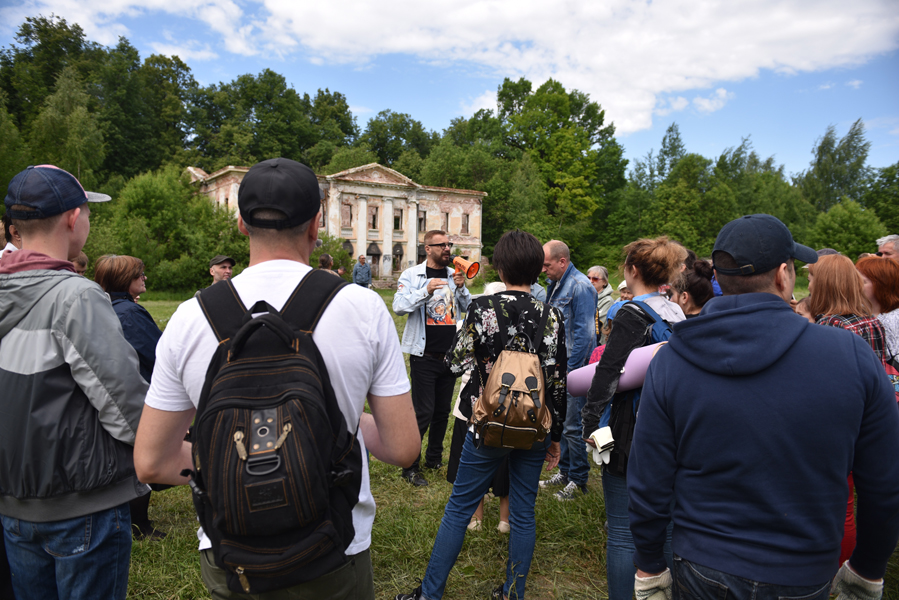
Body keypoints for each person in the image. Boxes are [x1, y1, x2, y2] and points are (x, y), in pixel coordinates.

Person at [133, 157, 420, 600]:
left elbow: (151, 462)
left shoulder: (191, 317)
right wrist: (339, 420)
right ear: (317, 224)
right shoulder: (363, 309)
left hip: (232, 555)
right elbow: (402, 448)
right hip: (334, 548)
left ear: (242, 225)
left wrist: (234, 468)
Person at [627, 214, 899, 600]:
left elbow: (648, 479)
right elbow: (884, 480)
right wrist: (868, 569)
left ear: (719, 278)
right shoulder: (850, 354)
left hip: (703, 565)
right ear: (784, 276)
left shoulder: (672, 361)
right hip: (803, 570)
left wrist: (649, 567)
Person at [0, 164, 149, 600]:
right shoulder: (76, 296)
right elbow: (125, 407)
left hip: (15, 505)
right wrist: (162, 453)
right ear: (73, 218)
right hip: (83, 505)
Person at [395, 229, 567, 600]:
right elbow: (558, 380)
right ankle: (513, 593)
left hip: (487, 421)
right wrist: (556, 438)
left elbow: (455, 363)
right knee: (523, 512)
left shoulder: (483, 308)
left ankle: (430, 593)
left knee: (458, 508)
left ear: (501, 268)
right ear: (538, 269)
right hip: (535, 425)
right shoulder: (550, 315)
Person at [581, 236, 686, 600]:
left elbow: (607, 372)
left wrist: (590, 423)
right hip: (673, 429)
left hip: (630, 433)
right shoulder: (676, 311)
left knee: (625, 533)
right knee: (669, 526)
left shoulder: (630, 313)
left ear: (633, 271)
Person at [807, 253, 892, 566]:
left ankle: (832, 567)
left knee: (835, 506)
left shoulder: (830, 326)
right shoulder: (871, 322)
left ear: (825, 284)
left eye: (813, 279)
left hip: (837, 426)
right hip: (866, 420)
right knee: (853, 502)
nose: (810, 285)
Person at [94, 254, 166, 541]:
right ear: (125, 279)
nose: (144, 278)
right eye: (140, 274)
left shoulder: (102, 306)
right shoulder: (130, 313)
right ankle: (139, 526)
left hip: (110, 394)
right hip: (139, 392)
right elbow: (156, 352)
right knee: (141, 459)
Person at [393, 230, 471, 486]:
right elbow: (399, 307)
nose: (448, 248)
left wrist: (460, 288)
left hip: (449, 356)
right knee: (423, 412)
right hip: (423, 355)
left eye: (450, 244)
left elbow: (467, 308)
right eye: (443, 245)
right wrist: (425, 290)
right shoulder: (412, 275)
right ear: (428, 248)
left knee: (441, 412)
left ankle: (433, 458)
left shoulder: (452, 275)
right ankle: (410, 466)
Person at [539, 240, 596, 501]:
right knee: (561, 424)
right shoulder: (555, 285)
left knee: (574, 426)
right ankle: (564, 471)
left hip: (573, 369)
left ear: (562, 262)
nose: (543, 270)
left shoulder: (581, 286)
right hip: (557, 368)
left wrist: (573, 373)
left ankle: (579, 479)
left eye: (547, 264)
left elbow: (585, 335)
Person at [855, 256, 899, 361]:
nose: (855, 285)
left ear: (882, 285)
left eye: (863, 282)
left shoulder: (894, 320)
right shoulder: (856, 312)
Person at [588, 265, 614, 343]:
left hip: (599, 343)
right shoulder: (585, 296)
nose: (591, 281)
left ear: (604, 282)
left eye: (595, 279)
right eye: (588, 278)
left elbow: (597, 324)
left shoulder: (608, 301)